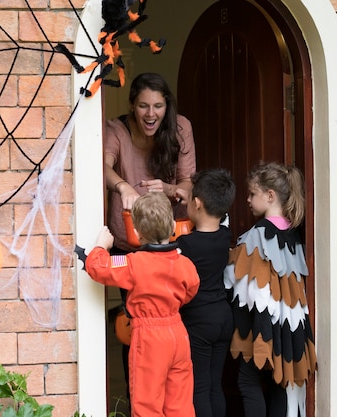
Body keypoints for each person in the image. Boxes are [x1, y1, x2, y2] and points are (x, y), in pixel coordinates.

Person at [85, 192, 200, 417]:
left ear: (136, 232)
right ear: (172, 227)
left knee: (147, 404)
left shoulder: (132, 263)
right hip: (178, 332)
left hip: (150, 337)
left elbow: (97, 267)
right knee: (180, 404)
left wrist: (101, 245)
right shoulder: (185, 263)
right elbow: (191, 289)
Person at [223, 161, 317, 417]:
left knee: (247, 380)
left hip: (263, 326)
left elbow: (234, 278)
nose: (248, 200)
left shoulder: (258, 235)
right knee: (280, 382)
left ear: (270, 195)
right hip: (290, 326)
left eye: (252, 194)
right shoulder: (294, 234)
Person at [104, 72, 196, 253]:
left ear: (167, 106)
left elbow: (188, 182)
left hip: (171, 236)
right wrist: (124, 187)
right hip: (129, 237)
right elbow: (102, 168)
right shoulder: (116, 129)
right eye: (143, 106)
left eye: (158, 106)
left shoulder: (181, 127)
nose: (151, 114)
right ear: (132, 105)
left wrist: (168, 189)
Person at [176, 169, 235, 417]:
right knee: (214, 385)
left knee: (199, 387)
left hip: (199, 321)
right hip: (223, 317)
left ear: (197, 204)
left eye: (189, 200)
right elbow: (222, 215)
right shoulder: (225, 235)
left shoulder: (186, 245)